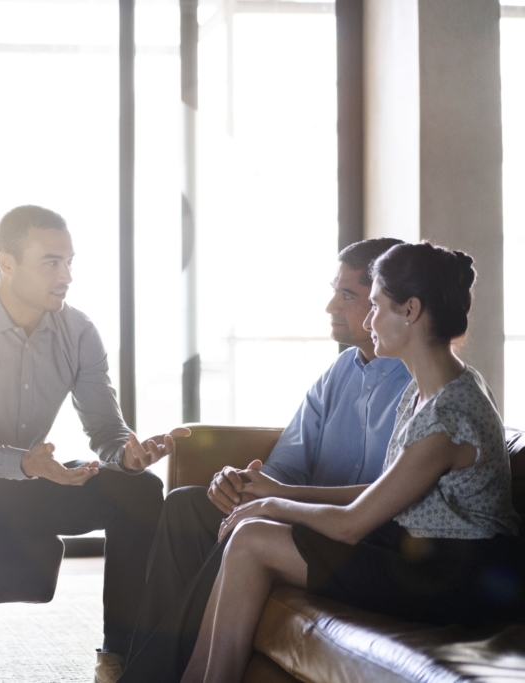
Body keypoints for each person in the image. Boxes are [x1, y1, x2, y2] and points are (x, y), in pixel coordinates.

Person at [180, 241, 522, 683]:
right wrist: (280, 491)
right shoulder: (427, 390)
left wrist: (272, 506)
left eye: (375, 305)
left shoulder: (448, 414)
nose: (369, 319)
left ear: (410, 311)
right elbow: (386, 494)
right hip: (417, 552)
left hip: (453, 576)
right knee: (250, 533)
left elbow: (352, 524)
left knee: (251, 539)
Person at [0, 205, 181, 683]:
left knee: (137, 490)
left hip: (21, 484)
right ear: (5, 264)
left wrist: (127, 455)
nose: (66, 275)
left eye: (70, 262)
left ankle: (120, 657)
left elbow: (106, 430)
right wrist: (26, 465)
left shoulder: (78, 332)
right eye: (51, 262)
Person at [120, 237, 412, 683]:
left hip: (352, 534)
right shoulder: (338, 373)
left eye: (349, 295)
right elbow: (286, 464)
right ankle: (148, 667)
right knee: (186, 506)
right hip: (298, 516)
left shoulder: (421, 384)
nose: (331, 305)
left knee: (247, 531)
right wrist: (242, 483)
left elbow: (388, 499)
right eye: (335, 290)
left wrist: (276, 499)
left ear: (383, 303)